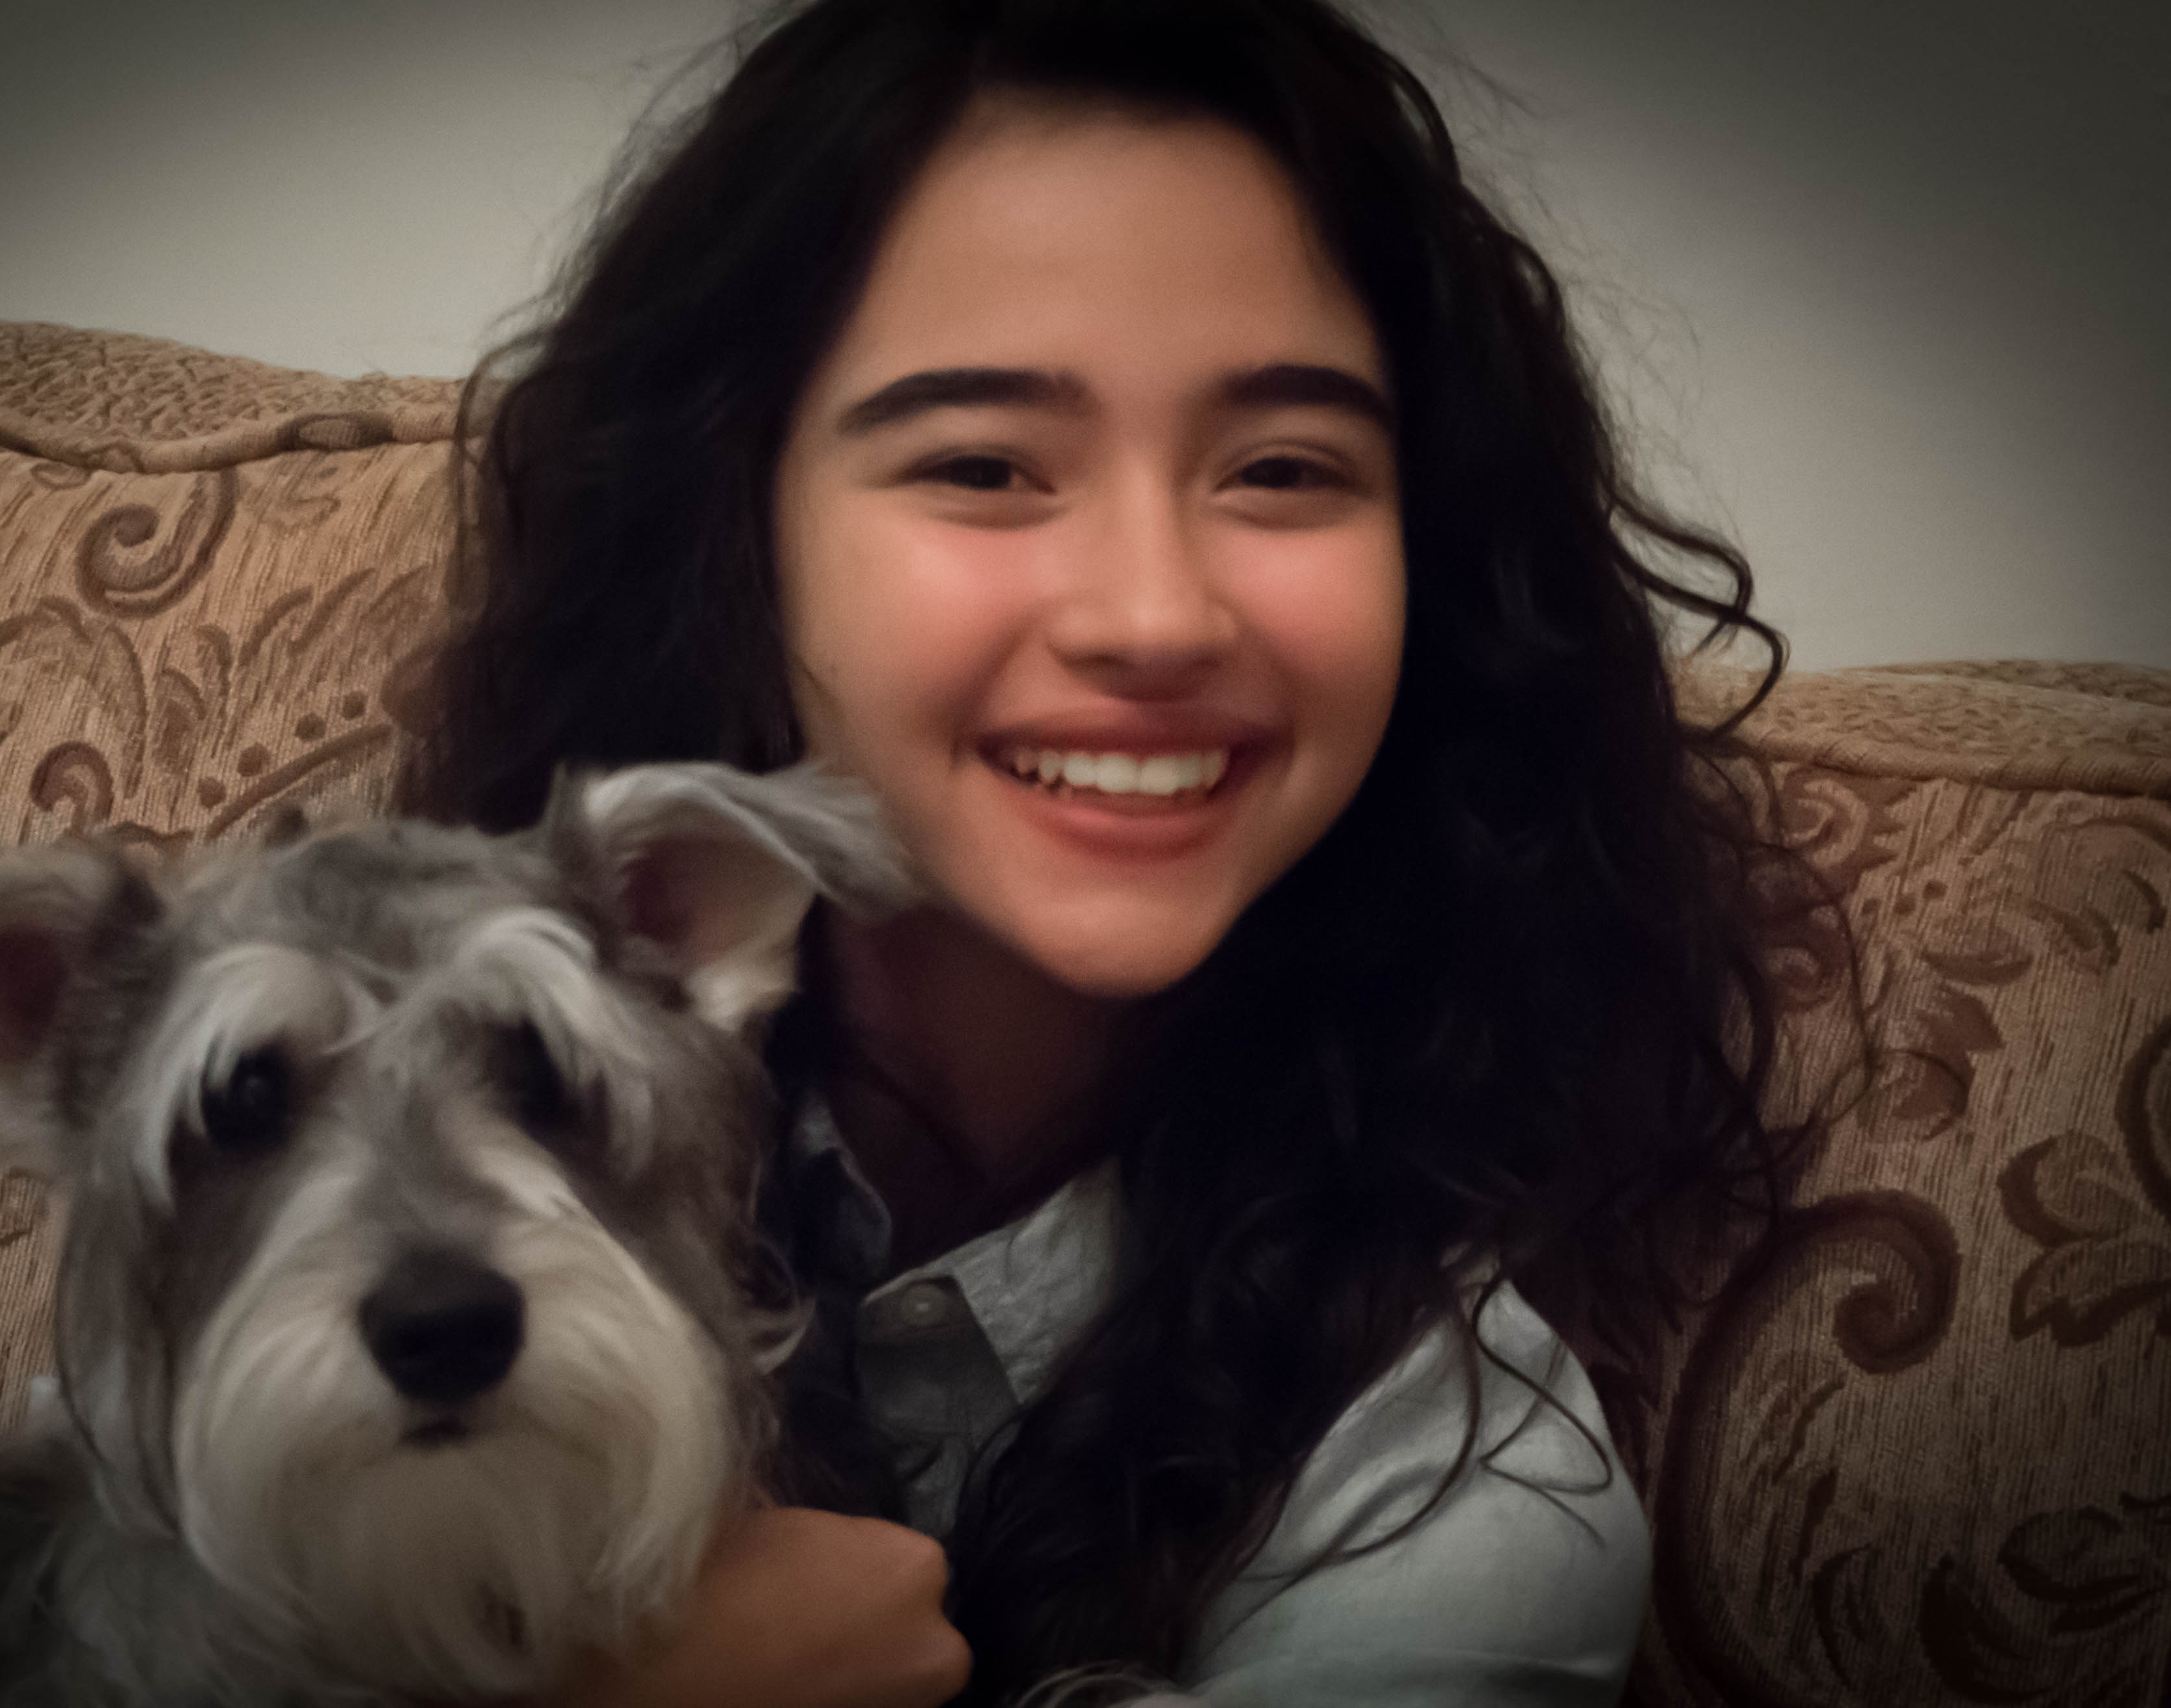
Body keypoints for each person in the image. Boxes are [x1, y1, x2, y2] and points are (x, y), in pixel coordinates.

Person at [402, 1, 1803, 1702]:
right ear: (732, 537)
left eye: (1281, 468)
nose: (1155, 615)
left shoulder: (1462, 1503)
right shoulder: (330, 1168)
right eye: (987, 465)